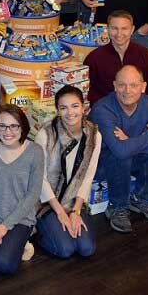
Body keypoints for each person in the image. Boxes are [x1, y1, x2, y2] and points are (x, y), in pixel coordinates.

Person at [88, 66, 148, 233]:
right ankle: (117, 206)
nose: (127, 91)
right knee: (120, 154)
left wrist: (130, 141)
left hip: (131, 158)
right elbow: (120, 151)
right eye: (122, 85)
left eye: (134, 85)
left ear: (143, 87)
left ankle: (144, 199)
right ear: (114, 86)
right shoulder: (102, 109)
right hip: (101, 167)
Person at [0, 104, 44, 275]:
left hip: (19, 218)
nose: (8, 131)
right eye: (2, 126)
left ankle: (23, 243)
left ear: (22, 126)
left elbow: (32, 195)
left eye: (14, 126)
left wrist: (4, 227)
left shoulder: (35, 152)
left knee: (5, 265)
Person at [34, 86, 101, 259]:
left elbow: (88, 175)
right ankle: (37, 231)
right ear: (57, 111)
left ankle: (59, 228)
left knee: (87, 249)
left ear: (84, 107)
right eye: (63, 108)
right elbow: (39, 178)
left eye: (75, 106)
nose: (70, 112)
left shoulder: (94, 134)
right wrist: (61, 213)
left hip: (73, 199)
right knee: (65, 249)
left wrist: (76, 212)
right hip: (48, 202)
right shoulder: (46, 134)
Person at [83, 10, 148, 106]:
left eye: (124, 28)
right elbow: (89, 92)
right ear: (107, 29)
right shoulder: (94, 58)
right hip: (106, 114)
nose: (119, 34)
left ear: (132, 29)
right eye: (114, 28)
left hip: (140, 114)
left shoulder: (146, 56)